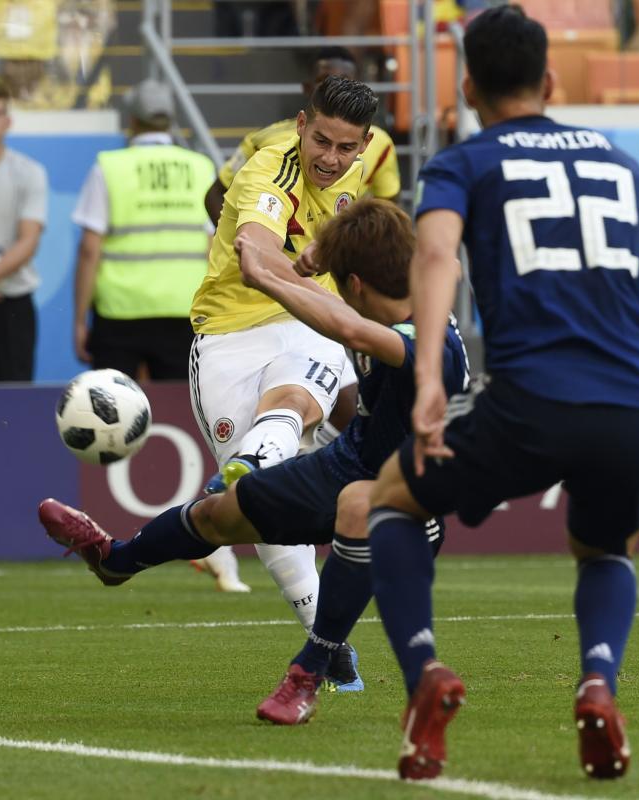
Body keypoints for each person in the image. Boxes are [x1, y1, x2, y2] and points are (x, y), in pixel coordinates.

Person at [364, 5, 639, 782]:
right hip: (638, 399)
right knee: (604, 545)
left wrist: (430, 377)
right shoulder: (622, 163)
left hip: (535, 399)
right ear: (549, 79)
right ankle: (599, 682)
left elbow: (436, 257)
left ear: (468, 85)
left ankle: (425, 678)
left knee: (393, 497)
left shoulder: (465, 162)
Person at [37, 197, 469, 696]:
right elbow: (407, 278)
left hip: (408, 498)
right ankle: (116, 561)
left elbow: (346, 325)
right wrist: (311, 260)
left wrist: (266, 278)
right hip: (349, 462)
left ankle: (314, 666)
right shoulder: (405, 290)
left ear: (355, 284)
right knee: (218, 513)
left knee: (357, 509)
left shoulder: (425, 339)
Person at [188, 75, 380, 628]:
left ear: (364, 145)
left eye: (346, 147)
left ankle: (257, 461)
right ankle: (332, 646)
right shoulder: (269, 170)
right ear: (301, 124)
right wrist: (304, 268)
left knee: (294, 402)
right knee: (256, 514)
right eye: (321, 140)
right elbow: (263, 253)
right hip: (227, 332)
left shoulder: (358, 171)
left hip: (308, 322)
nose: (331, 157)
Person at [71, 79, 215, 381]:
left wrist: (80, 320)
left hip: (119, 311)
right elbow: (212, 246)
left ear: (133, 120)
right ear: (169, 122)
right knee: (181, 408)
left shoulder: (109, 167)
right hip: (184, 307)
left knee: (111, 407)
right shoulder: (200, 167)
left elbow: (89, 249)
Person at [204, 46, 400, 227]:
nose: (330, 158)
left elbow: (390, 209)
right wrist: (237, 244)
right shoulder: (263, 141)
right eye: (325, 81)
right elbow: (215, 193)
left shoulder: (380, 144)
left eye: (346, 148)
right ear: (308, 88)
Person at [0, 78, 47, 382]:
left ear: (8, 121)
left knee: (12, 400)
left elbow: (28, 240)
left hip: (12, 304)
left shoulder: (29, 172)